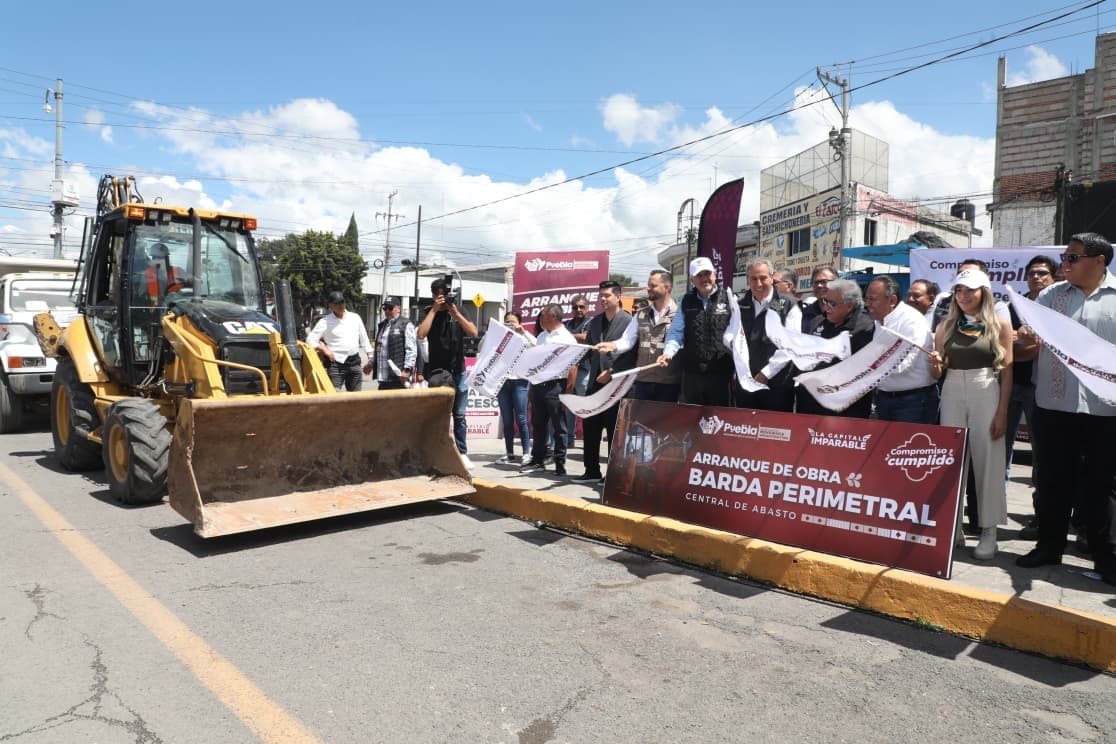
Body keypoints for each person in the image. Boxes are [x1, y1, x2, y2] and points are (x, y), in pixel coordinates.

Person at [1016, 233, 1116, 586]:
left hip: (1106, 410)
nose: (1065, 264)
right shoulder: (1048, 297)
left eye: (1073, 258)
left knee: (1100, 486)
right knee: (1053, 481)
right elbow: (1029, 350)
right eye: (1065, 257)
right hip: (1054, 406)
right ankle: (1049, 546)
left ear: (1100, 261)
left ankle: (1104, 555)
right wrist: (1026, 343)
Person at [929, 269, 1013, 560]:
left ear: (984, 293)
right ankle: (953, 528)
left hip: (985, 387)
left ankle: (989, 531)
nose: (964, 296)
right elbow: (937, 372)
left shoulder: (999, 325)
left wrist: (1002, 412)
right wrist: (936, 363)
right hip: (952, 389)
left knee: (988, 460)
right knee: (952, 462)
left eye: (971, 290)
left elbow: (1008, 372)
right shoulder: (945, 326)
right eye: (959, 290)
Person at [1006, 255, 1057, 540]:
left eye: (1043, 273)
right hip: (1011, 383)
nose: (1036, 277)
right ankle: (994, 511)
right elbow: (1006, 341)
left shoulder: (1057, 306)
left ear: (1053, 277)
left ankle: (1041, 517)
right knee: (1001, 449)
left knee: (1041, 454)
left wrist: (1028, 343)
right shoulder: (1016, 305)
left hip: (1043, 389)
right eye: (1032, 273)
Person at [417, 276, 479, 468]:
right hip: (437, 371)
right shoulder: (428, 311)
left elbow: (473, 333)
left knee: (459, 415)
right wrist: (435, 310)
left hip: (458, 370)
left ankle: (462, 452)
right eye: (442, 295)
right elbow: (420, 334)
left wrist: (454, 311)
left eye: (448, 295)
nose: (446, 298)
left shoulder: (458, 309)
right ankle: (437, 451)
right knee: (438, 415)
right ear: (434, 296)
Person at [576, 281, 635, 482]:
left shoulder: (628, 321)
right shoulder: (595, 322)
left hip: (617, 384)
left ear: (618, 297)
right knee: (590, 427)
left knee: (613, 430)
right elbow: (591, 351)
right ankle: (591, 471)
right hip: (594, 382)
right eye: (600, 295)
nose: (603, 299)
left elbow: (631, 354)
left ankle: (612, 475)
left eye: (607, 295)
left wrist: (612, 371)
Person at [596, 269, 682, 402]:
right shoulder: (641, 314)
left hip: (669, 383)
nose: (648, 288)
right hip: (643, 381)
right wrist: (612, 346)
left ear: (667, 287)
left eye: (653, 285)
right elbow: (627, 341)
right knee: (641, 422)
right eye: (649, 285)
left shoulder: (680, 315)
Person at [659, 257, 735, 406]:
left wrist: (736, 373)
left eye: (707, 273)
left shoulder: (729, 299)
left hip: (721, 375)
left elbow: (738, 338)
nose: (704, 278)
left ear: (714, 274)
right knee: (691, 422)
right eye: (699, 275)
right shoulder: (686, 301)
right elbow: (676, 332)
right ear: (692, 279)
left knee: (720, 422)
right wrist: (668, 353)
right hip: (692, 375)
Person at [795, 279, 876, 418]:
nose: (826, 308)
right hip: (810, 406)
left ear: (849, 306)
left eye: (832, 303)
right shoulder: (817, 322)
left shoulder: (866, 328)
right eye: (825, 301)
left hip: (845, 411)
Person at [865, 275, 939, 424]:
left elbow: (902, 365)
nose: (868, 304)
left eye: (873, 299)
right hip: (885, 399)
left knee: (912, 447)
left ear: (892, 301)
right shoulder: (879, 320)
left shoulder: (912, 321)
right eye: (867, 299)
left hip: (913, 402)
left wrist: (866, 369)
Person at [732, 257, 802, 412]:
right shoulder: (739, 305)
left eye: (763, 278)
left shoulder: (790, 305)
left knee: (776, 433)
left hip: (777, 386)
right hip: (746, 384)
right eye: (753, 279)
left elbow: (789, 347)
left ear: (771, 277)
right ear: (747, 280)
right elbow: (733, 339)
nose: (758, 284)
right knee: (746, 430)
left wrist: (765, 374)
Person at [521, 304, 578, 475]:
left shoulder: (567, 338)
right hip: (539, 385)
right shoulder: (542, 336)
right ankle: (537, 459)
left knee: (559, 426)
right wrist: (532, 386)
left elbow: (573, 367)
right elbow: (535, 363)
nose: (540, 318)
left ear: (552, 316)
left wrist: (568, 393)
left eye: (543, 315)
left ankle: (560, 463)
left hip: (556, 386)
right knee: (538, 424)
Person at [306, 290, 374, 392]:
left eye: (342, 302)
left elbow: (364, 338)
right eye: (336, 303)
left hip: (354, 362)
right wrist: (324, 350)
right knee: (334, 396)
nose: (340, 305)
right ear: (331, 306)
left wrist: (370, 356)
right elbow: (310, 339)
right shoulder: (325, 322)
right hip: (336, 364)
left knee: (356, 398)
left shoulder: (355, 318)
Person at [496, 310, 535, 465]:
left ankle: (526, 452)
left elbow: (536, 345)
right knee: (506, 420)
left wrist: (523, 332)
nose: (510, 325)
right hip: (503, 382)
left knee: (521, 418)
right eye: (507, 322)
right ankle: (509, 453)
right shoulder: (501, 338)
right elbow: (483, 346)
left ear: (519, 323)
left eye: (513, 322)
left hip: (520, 381)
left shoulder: (524, 337)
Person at [563, 294, 593, 446]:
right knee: (569, 406)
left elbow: (586, 337)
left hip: (584, 370)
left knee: (586, 406)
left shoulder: (591, 322)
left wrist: (567, 336)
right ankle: (569, 439)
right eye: (575, 307)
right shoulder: (567, 323)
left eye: (581, 306)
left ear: (587, 308)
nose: (578, 310)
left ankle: (590, 439)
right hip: (567, 371)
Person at [372, 295, 417, 391]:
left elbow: (411, 350)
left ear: (398, 309)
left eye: (390, 308)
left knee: (398, 405)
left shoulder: (405, 324)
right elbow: (379, 349)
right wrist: (371, 363)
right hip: (383, 379)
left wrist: (407, 369)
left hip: (398, 377)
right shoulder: (382, 325)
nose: (387, 311)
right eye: (385, 308)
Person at [800, 265, 837, 332]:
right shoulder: (803, 314)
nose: (819, 285)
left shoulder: (846, 312)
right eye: (816, 282)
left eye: (824, 282)